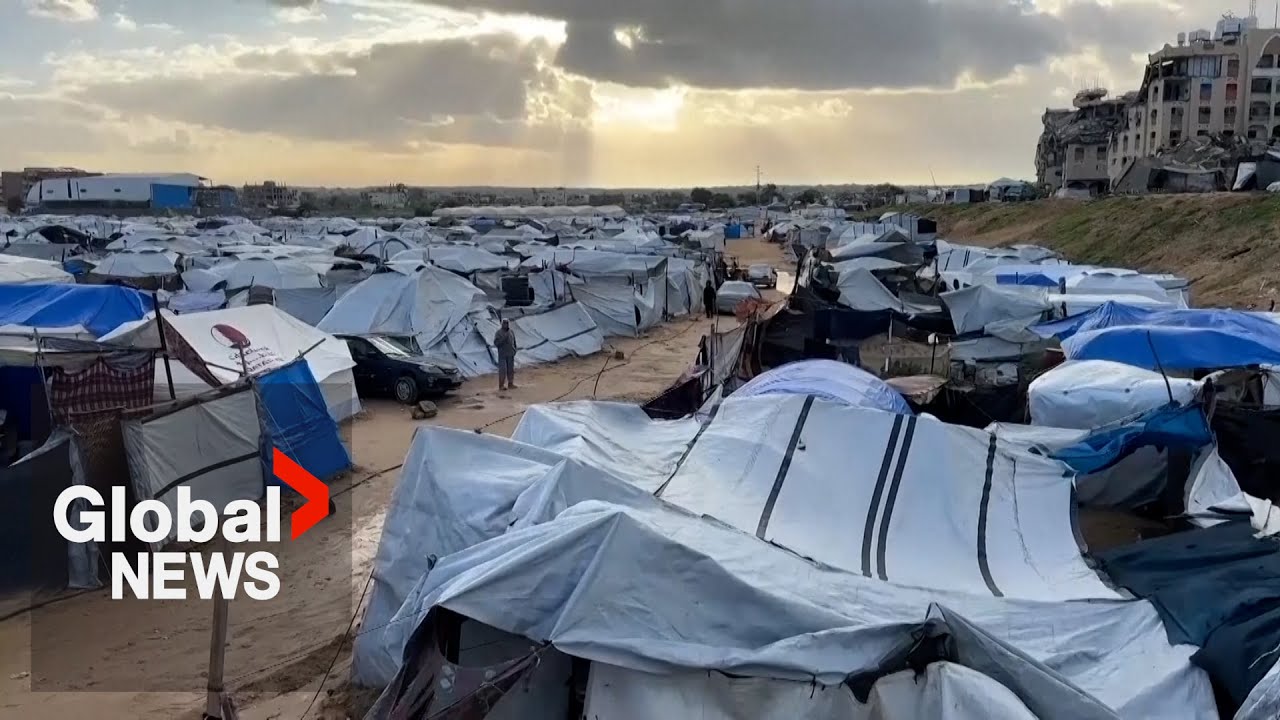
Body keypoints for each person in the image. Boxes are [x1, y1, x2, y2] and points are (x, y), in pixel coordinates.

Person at [495, 319, 518, 391]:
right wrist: (504, 339)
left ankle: (510, 383)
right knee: (503, 370)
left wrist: (515, 349)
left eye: (507, 323)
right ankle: (501, 385)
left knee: (510, 369)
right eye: (504, 323)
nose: (506, 325)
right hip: (502, 354)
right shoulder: (498, 333)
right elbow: (496, 343)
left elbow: (514, 342)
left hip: (511, 353)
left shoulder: (511, 332)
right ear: (502, 324)